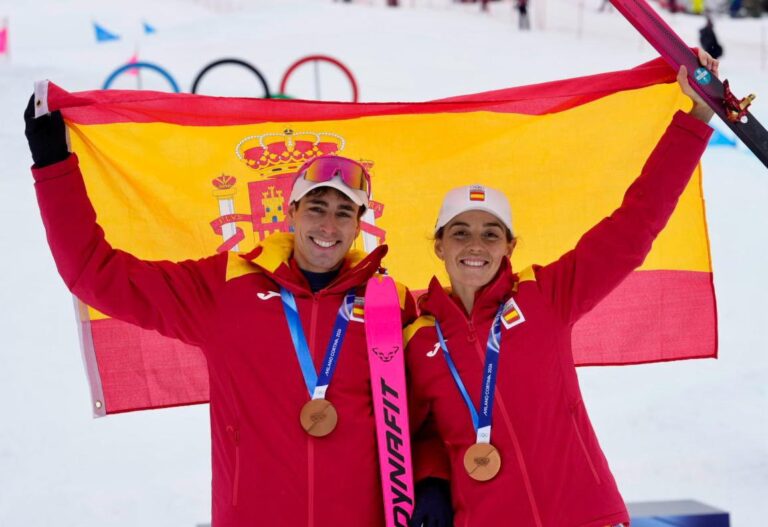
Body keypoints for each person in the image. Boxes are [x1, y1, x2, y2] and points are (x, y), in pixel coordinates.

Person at [23, 108, 452, 526]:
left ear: (359, 225)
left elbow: (428, 412)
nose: (328, 225)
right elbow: (97, 275)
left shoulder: (387, 304)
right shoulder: (227, 286)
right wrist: (53, 167)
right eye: (316, 208)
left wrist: (432, 479)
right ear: (291, 212)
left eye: (344, 213)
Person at [405, 51, 718, 527]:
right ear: (439, 246)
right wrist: (430, 480)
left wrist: (696, 117)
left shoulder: (546, 296)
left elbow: (634, 227)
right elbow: (415, 428)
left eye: (491, 233)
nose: (476, 245)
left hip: (585, 515)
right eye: (460, 232)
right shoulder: (416, 334)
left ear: (509, 246)